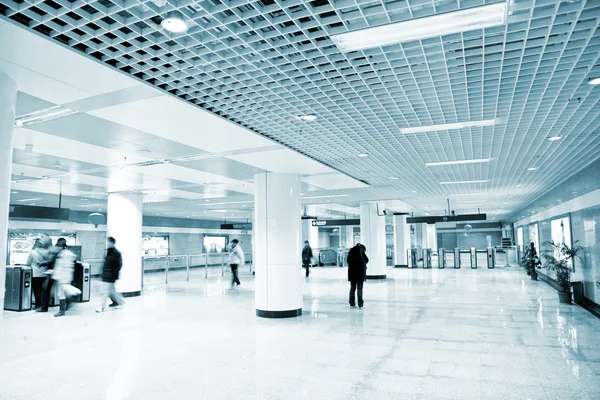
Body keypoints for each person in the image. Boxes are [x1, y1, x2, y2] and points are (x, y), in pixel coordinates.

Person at [51, 239, 81, 317]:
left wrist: (55, 274)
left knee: (63, 292)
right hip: (66, 276)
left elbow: (60, 266)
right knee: (62, 293)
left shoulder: (63, 255)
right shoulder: (68, 254)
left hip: (62, 276)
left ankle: (76, 293)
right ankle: (62, 310)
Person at [96, 237, 125, 313]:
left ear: (112, 243)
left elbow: (118, 265)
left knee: (104, 292)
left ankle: (101, 307)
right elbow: (105, 264)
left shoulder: (116, 253)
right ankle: (121, 303)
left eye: (108, 242)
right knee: (112, 291)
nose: (107, 244)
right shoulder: (108, 252)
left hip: (110, 276)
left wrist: (112, 275)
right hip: (107, 275)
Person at [37, 237, 66, 313]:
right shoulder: (63, 250)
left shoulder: (54, 249)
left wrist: (42, 263)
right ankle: (65, 305)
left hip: (52, 272)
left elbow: (50, 260)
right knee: (62, 290)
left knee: (46, 289)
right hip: (60, 272)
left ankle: (44, 307)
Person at [27, 236, 51, 309]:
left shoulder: (33, 252)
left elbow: (28, 263)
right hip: (45, 273)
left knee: (37, 289)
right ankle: (44, 304)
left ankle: (38, 305)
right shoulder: (47, 252)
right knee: (44, 290)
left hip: (35, 273)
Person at [347, 243, 369, 308]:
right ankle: (360, 303)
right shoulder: (361, 251)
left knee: (352, 289)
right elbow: (367, 260)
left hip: (352, 274)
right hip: (360, 274)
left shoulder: (351, 251)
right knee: (360, 289)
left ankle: (352, 303)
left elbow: (347, 260)